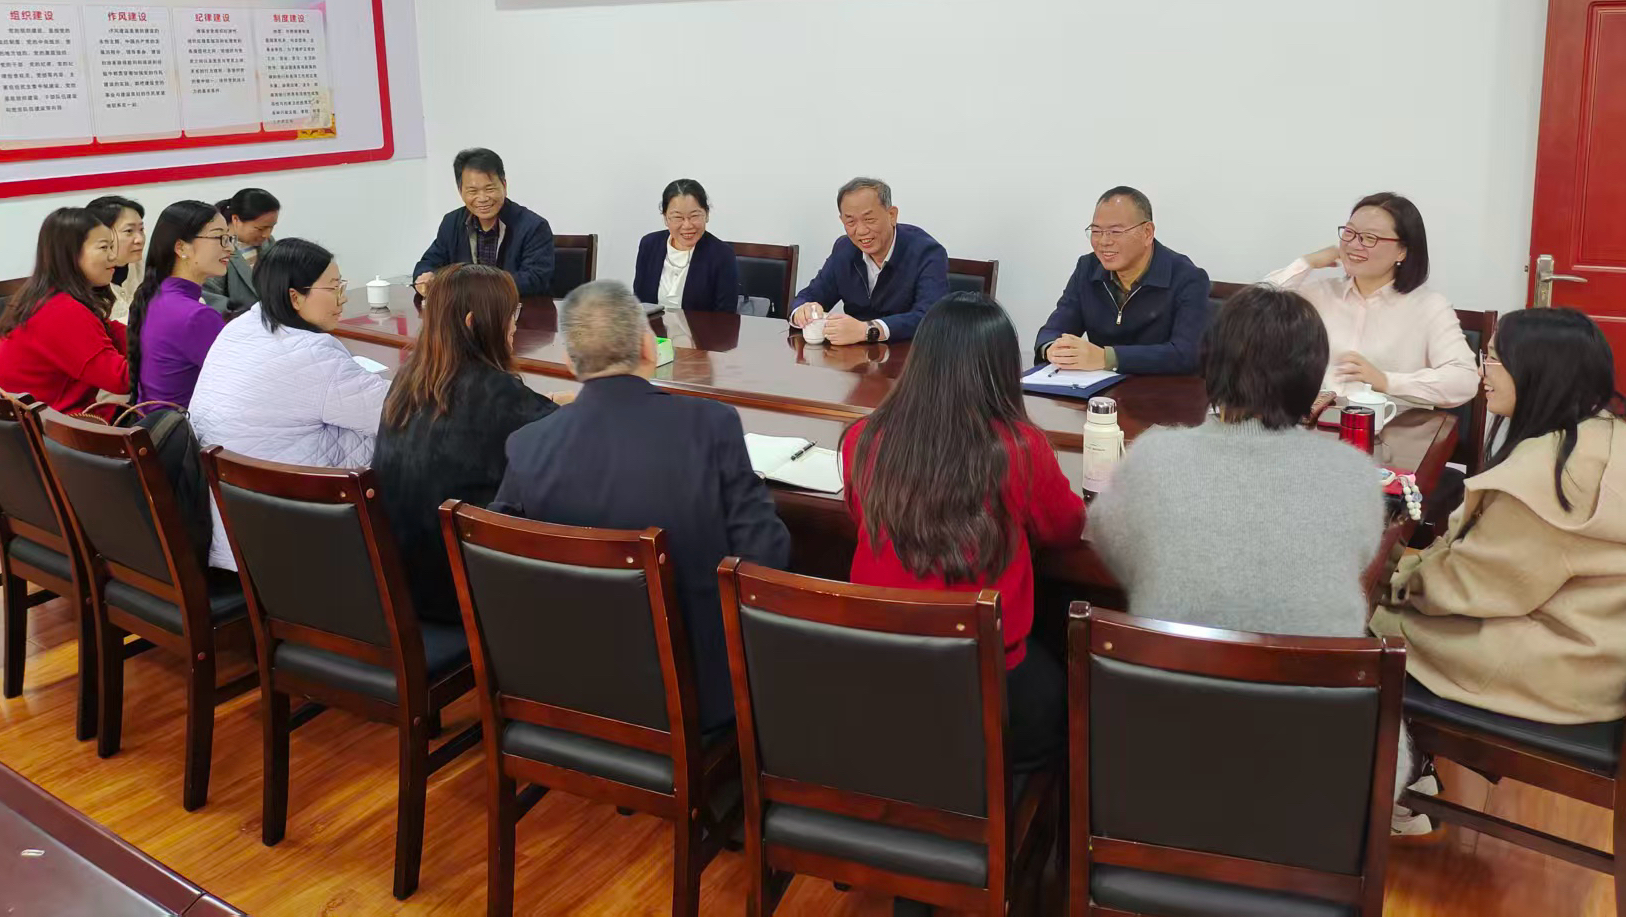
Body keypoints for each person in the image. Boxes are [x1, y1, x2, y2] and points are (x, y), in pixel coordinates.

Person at [491, 280, 790, 733]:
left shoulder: (527, 444)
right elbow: (767, 556)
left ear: (570, 361)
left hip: (562, 688)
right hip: (694, 695)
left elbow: (502, 566)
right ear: (649, 347)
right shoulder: (711, 425)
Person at [842, 291, 1084, 774]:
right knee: (1068, 691)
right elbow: (1066, 528)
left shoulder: (862, 438)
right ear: (1001, 370)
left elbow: (858, 516)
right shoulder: (1019, 448)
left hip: (879, 671)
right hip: (987, 682)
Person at [1371, 309, 1626, 724]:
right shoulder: (1603, 430)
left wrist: (1389, 579)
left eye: (1492, 359)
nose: (1481, 372)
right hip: (1601, 644)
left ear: (1538, 369)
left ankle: (1381, 748)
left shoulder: (1549, 475)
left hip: (1562, 662)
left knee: (1359, 618)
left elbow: (1465, 588)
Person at [1091, 285, 1384, 637]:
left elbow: (1109, 543)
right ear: (1313, 375)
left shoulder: (1152, 457)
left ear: (1211, 363)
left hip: (1167, 667)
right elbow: (1357, 558)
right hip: (1317, 671)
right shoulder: (1355, 472)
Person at [374, 264, 561, 624]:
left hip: (398, 585)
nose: (515, 325)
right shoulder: (500, 394)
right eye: (511, 314)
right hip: (463, 594)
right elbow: (568, 439)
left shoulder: (408, 380)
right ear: (474, 322)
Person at [190, 239, 389, 571]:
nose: (343, 298)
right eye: (334, 288)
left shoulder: (239, 328)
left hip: (233, 528)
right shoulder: (312, 354)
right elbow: (397, 413)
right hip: (295, 538)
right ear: (295, 297)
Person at [1265, 192, 1477, 407]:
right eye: (1349, 233)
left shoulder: (1429, 307)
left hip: (1392, 424)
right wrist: (1306, 262)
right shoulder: (1320, 294)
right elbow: (1253, 315)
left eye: (1369, 238)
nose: (1353, 245)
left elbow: (1464, 380)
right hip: (1316, 422)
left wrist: (1385, 381)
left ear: (1402, 251)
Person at [1033, 186, 1212, 375]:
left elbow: (1186, 354)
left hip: (1160, 389)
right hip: (1099, 389)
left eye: (1116, 232)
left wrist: (1106, 358)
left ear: (1147, 233)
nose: (1104, 241)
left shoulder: (1187, 278)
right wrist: (1053, 348)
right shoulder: (1087, 269)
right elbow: (1052, 331)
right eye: (1096, 231)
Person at [0, 207, 129, 418]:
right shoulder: (62, 310)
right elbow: (121, 379)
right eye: (104, 247)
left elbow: (112, 334)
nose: (113, 256)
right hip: (60, 430)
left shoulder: (45, 297)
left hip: (45, 426)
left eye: (112, 247)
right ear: (71, 255)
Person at [787, 177, 948, 344]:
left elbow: (930, 318)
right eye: (850, 222)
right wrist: (802, 311)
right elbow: (810, 295)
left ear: (892, 215)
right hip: (853, 354)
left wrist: (869, 330)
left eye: (869, 219)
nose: (861, 231)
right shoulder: (844, 249)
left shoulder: (927, 253)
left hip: (909, 353)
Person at [125, 201, 230, 408]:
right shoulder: (196, 316)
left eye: (228, 238)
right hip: (184, 425)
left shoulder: (153, 296)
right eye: (219, 238)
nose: (229, 247)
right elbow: (241, 383)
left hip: (152, 422)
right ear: (181, 247)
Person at [413, 148, 555, 298]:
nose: (482, 198)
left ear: (504, 186)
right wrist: (425, 278)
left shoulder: (533, 227)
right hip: (464, 310)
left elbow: (535, 279)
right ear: (460, 191)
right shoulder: (451, 223)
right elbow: (428, 263)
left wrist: (473, 287)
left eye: (489, 189)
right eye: (473, 191)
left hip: (518, 308)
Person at [631, 179, 739, 312]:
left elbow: (726, 316)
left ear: (706, 215)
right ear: (665, 218)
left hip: (702, 327)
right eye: (678, 217)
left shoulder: (722, 255)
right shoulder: (649, 245)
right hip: (653, 326)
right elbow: (640, 303)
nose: (687, 225)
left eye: (694, 216)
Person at [203, 188, 280, 318]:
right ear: (236, 219)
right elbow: (213, 300)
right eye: (260, 228)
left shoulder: (268, 243)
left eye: (271, 227)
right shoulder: (216, 250)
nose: (267, 234)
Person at [87, 195, 146, 323]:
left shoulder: (141, 266)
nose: (140, 239)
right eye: (129, 231)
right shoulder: (85, 283)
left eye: (141, 229)